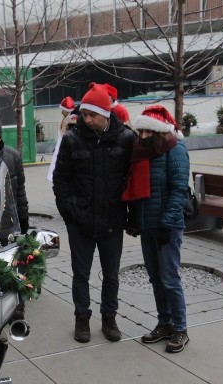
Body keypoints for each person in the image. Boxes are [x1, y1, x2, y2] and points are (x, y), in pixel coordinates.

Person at [53, 82, 135, 343]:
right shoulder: (72, 139)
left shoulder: (126, 138)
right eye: (85, 114)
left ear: (106, 113)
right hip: (81, 222)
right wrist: (69, 212)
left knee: (111, 275)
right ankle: (82, 318)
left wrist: (129, 215)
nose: (87, 119)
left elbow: (133, 178)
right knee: (81, 274)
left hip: (112, 220)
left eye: (93, 115)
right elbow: (60, 179)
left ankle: (109, 318)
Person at [125, 105, 191, 353]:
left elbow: (178, 190)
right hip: (148, 226)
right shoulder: (143, 153)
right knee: (155, 278)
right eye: (140, 132)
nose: (142, 137)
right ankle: (165, 323)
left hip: (167, 227)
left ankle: (181, 329)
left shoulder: (175, 150)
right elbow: (138, 190)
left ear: (159, 132)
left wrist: (167, 223)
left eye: (146, 132)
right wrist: (135, 219)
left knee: (169, 278)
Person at [46, 96, 78, 182]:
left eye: (62, 110)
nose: (61, 112)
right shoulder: (68, 119)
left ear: (66, 110)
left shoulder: (72, 120)